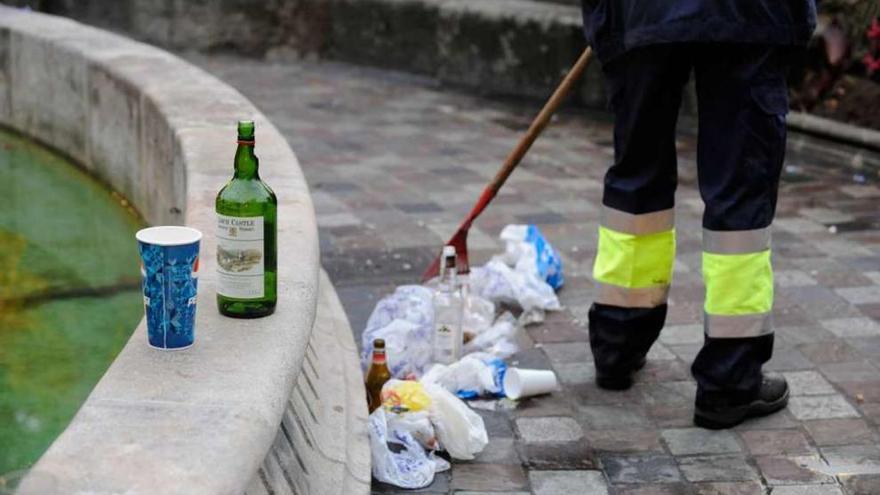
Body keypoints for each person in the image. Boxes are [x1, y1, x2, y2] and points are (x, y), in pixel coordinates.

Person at [581, 0, 817, 429]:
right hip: (747, 17)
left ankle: (617, 344)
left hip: (641, 14)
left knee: (637, 180)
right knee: (739, 194)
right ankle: (729, 382)